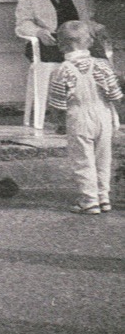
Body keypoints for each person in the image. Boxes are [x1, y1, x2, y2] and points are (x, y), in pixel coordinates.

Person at [46, 21, 122, 215]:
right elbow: (115, 95)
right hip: (103, 116)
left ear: (61, 45)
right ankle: (103, 197)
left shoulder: (61, 70)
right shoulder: (102, 66)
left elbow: (57, 103)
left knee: (83, 160)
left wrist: (59, 123)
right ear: (89, 42)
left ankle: (89, 200)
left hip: (78, 117)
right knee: (103, 158)